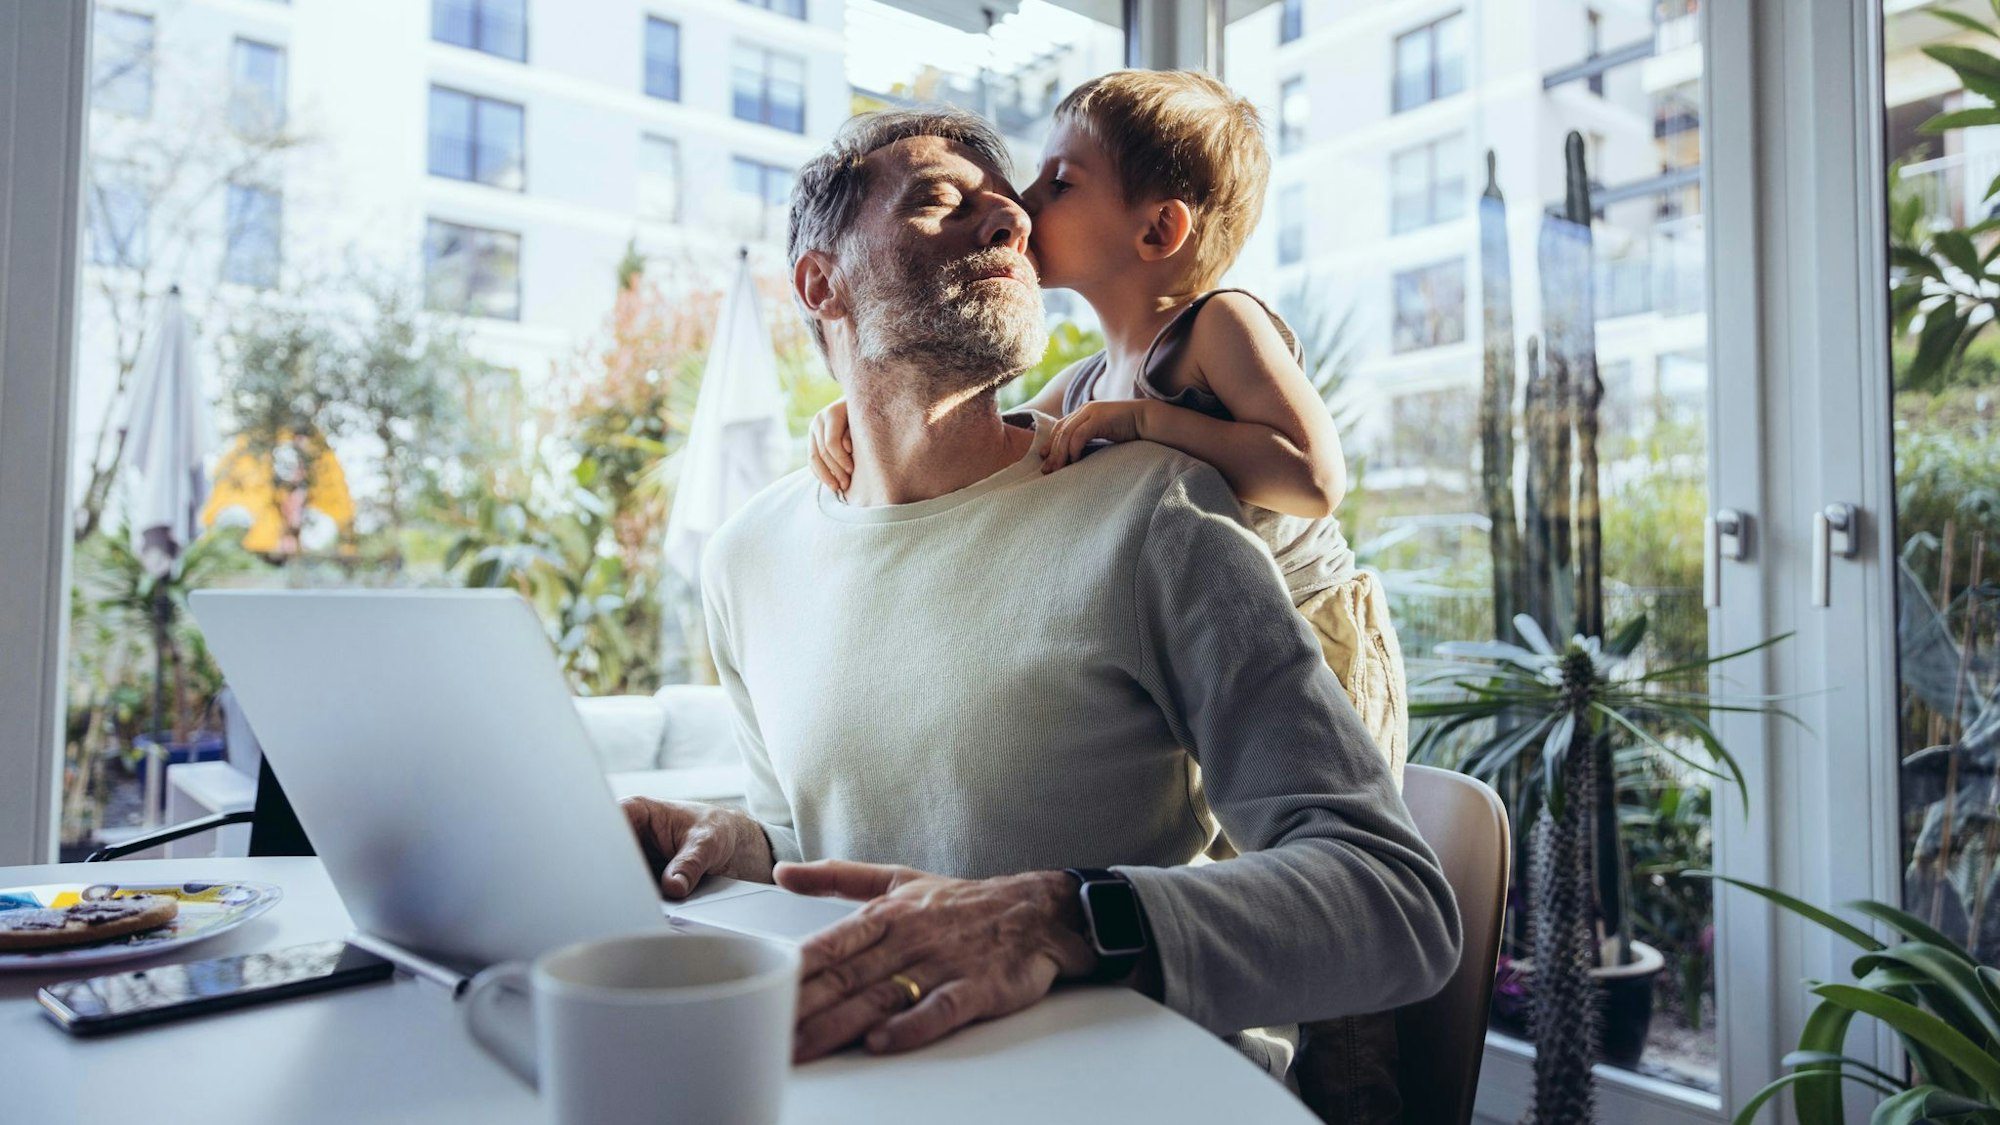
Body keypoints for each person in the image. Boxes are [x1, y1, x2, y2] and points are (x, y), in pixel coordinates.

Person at [620, 108, 1459, 1103]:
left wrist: (1065, 919)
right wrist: (743, 847)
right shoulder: (747, 557)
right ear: (818, 284)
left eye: (1014, 204)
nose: (1012, 219)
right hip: (876, 1089)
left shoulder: (1156, 511)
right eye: (940, 199)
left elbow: (1395, 904)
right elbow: (820, 853)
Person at [807, 71, 1409, 789]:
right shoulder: (1090, 380)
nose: (1022, 204)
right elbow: (994, 428)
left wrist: (1148, 420)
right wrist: (864, 407)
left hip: (1315, 640)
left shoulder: (1218, 324)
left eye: (1060, 183)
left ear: (1158, 230)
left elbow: (1313, 478)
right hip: (1210, 654)